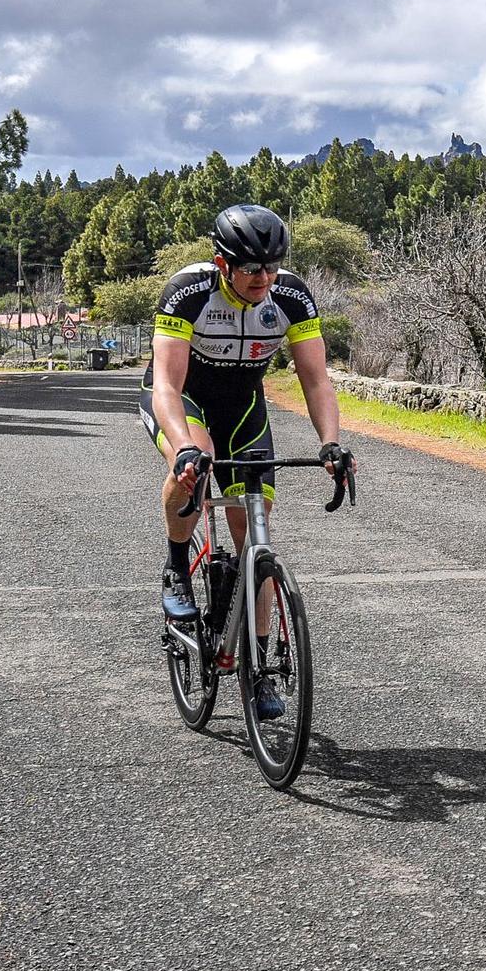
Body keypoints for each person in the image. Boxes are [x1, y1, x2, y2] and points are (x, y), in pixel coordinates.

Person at [140, 204, 355, 715]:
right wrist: (184, 447)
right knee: (197, 464)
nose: (263, 277)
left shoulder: (292, 296)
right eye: (251, 267)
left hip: (242, 403)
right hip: (182, 398)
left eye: (272, 266)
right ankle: (176, 566)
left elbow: (316, 379)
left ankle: (261, 671)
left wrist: (330, 442)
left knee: (253, 538)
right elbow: (167, 385)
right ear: (222, 263)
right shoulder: (188, 291)